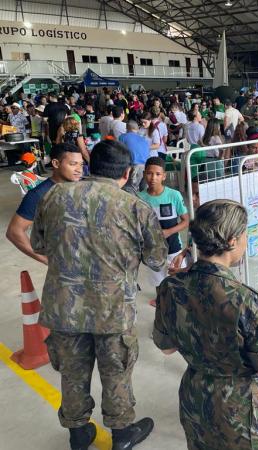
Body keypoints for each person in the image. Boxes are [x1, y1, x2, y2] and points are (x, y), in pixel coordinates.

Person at [30, 140, 168, 450]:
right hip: (112, 309)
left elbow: (38, 244)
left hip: (64, 306)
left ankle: (78, 435)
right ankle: (121, 435)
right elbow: (157, 259)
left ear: (91, 166)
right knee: (116, 370)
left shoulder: (53, 195)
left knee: (72, 373)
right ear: (128, 172)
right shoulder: (135, 207)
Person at [153, 199, 258, 450]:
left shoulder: (171, 287)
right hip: (242, 411)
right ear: (232, 240)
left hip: (197, 400)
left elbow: (166, 347)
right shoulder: (246, 300)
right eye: (245, 235)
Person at [6, 143, 83, 264]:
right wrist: (46, 260)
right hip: (65, 264)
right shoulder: (39, 194)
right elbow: (14, 232)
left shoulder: (82, 187)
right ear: (56, 164)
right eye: (73, 164)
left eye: (81, 164)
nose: (79, 170)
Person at [138, 157, 189, 305]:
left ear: (164, 176)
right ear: (144, 174)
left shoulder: (174, 195)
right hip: (152, 247)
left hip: (173, 246)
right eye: (149, 173)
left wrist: (169, 232)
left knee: (177, 274)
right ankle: (161, 298)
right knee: (156, 276)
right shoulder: (140, 198)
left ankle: (179, 300)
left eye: (158, 174)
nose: (153, 178)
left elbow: (185, 221)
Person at [119, 121, 150, 192]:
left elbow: (120, 153)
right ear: (137, 129)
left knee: (129, 189)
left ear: (127, 128)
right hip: (146, 166)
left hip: (133, 166)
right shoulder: (143, 139)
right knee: (143, 191)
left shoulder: (122, 137)